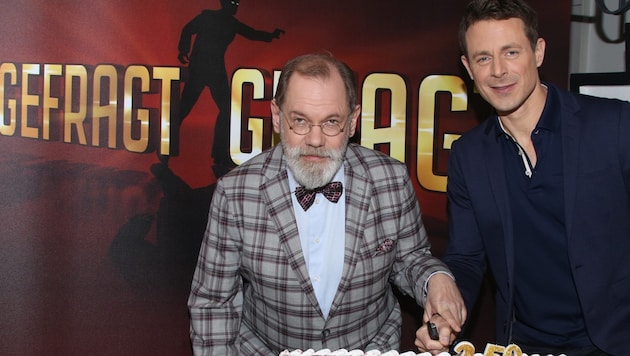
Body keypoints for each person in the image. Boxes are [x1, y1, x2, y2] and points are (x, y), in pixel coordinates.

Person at [188, 52, 466, 355]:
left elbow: (410, 259)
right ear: (277, 117)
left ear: (353, 121)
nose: (315, 140)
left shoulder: (391, 179)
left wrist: (437, 278)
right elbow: (214, 302)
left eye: (331, 122)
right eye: (300, 121)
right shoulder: (236, 193)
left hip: (371, 348)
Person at [440, 0, 630, 355]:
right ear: (468, 67)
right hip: (524, 344)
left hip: (616, 341)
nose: (498, 70)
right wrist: (447, 309)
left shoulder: (615, 126)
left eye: (511, 52)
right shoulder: (469, 155)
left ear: (538, 51)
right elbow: (466, 259)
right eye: (483, 58)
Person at [164, 0, 284, 173]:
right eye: (233, 2)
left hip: (216, 72)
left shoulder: (231, 23)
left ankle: (219, 153)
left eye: (237, 2)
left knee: (226, 110)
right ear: (224, 3)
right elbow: (188, 29)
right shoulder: (208, 17)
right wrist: (184, 49)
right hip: (199, 69)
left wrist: (271, 36)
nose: (236, 5)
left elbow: (251, 33)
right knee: (183, 109)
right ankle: (165, 148)